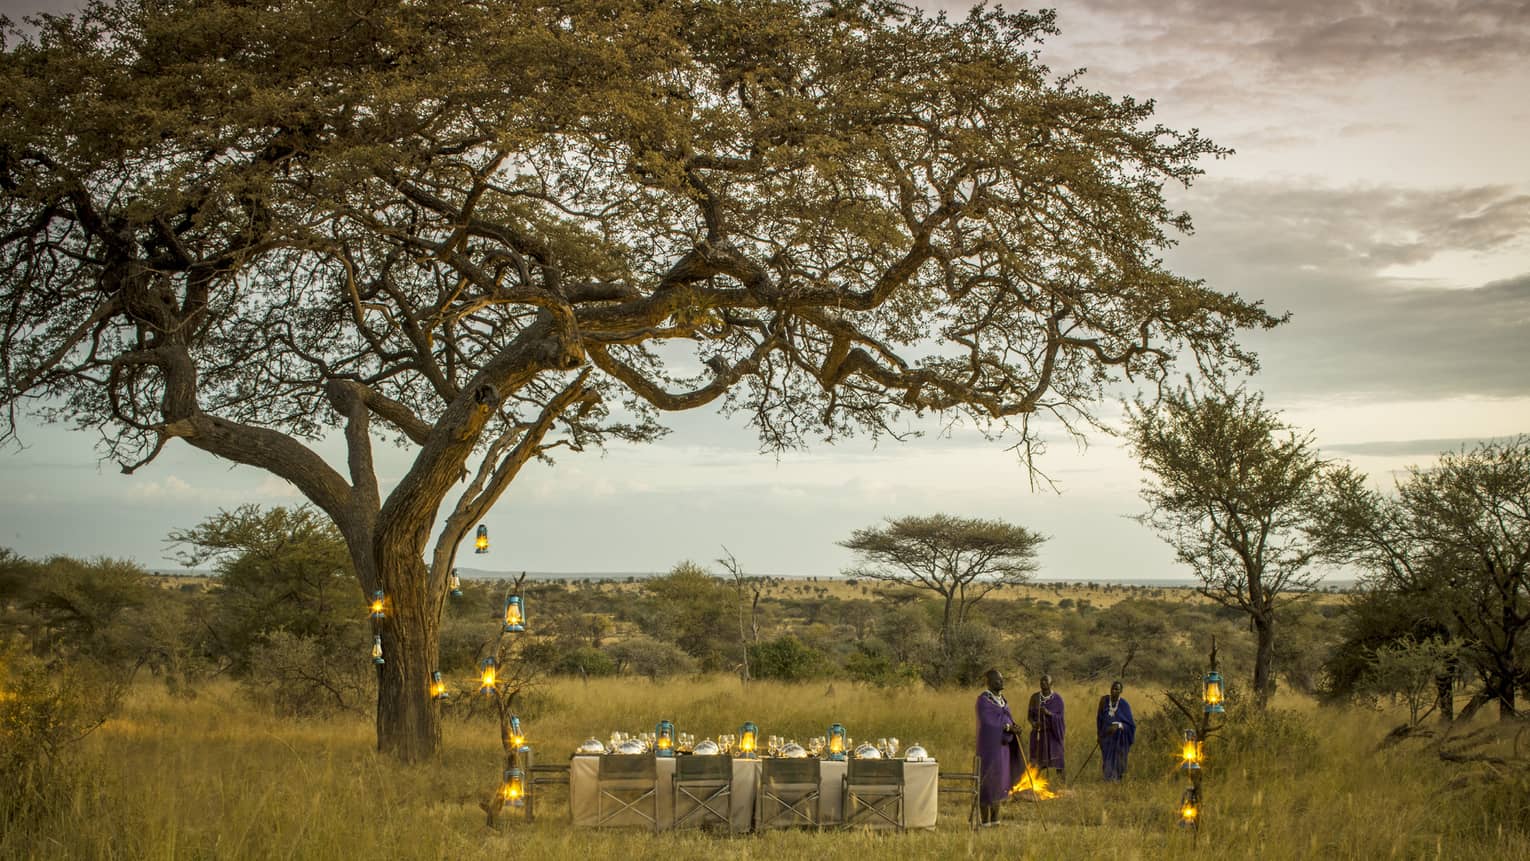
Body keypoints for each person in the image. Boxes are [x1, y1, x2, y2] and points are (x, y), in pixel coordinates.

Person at [975, 668, 1022, 826]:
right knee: (988, 781)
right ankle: (985, 821)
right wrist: (1007, 727)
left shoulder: (1003, 700)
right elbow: (988, 722)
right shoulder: (983, 700)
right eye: (997, 680)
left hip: (1003, 748)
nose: (1001, 682)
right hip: (989, 748)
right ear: (988, 682)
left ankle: (995, 820)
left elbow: (1007, 718)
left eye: (1002, 679)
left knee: (1000, 782)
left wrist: (1015, 727)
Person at [1027, 673, 1065, 785]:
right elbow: (1029, 716)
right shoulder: (1034, 697)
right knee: (1037, 760)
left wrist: (1049, 714)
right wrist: (1034, 723)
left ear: (1051, 684)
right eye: (1041, 681)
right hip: (1039, 733)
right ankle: (1033, 784)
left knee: (1058, 758)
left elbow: (1060, 717)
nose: (1043, 683)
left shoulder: (1057, 699)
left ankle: (1061, 784)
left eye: (1046, 681)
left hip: (1053, 734)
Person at [1096, 679, 1136, 782]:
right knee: (1107, 760)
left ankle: (1117, 781)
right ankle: (1108, 780)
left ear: (1121, 691)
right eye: (1113, 688)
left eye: (1117, 689)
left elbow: (1131, 725)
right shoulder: (1104, 701)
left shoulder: (1124, 704)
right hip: (1106, 738)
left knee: (1119, 762)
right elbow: (1099, 719)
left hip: (1119, 739)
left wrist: (1119, 725)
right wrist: (1099, 735)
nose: (1114, 691)